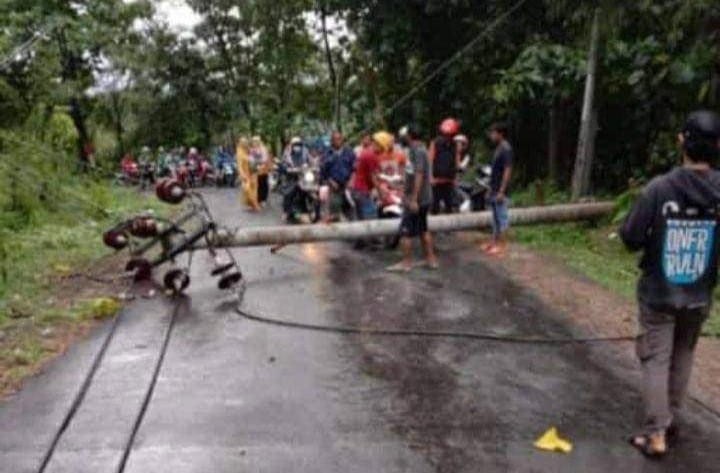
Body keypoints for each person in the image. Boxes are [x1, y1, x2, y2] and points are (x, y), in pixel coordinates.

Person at [620, 110, 720, 457]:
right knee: (684, 354)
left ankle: (655, 432)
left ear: (682, 142)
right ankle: (670, 418)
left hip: (659, 293)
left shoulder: (660, 188)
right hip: (699, 292)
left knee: (656, 358)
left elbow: (630, 236)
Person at [387, 125, 438, 272]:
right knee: (423, 229)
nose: (402, 138)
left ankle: (406, 263)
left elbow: (419, 175)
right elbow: (412, 173)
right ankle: (430, 259)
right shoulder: (416, 150)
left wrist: (414, 199)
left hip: (417, 200)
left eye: (404, 135)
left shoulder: (418, 151)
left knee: (405, 231)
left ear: (409, 136)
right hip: (421, 198)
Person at [483, 122, 513, 257]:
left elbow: (507, 170)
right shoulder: (498, 148)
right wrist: (490, 188)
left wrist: (502, 190)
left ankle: (502, 246)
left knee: (502, 219)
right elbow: (495, 171)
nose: (491, 135)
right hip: (494, 188)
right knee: (495, 219)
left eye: (493, 133)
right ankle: (494, 243)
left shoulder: (506, 149)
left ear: (500, 134)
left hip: (501, 191)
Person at [320, 131, 355, 222]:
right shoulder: (327, 154)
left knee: (351, 211)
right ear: (331, 141)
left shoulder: (349, 152)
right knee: (334, 212)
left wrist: (351, 180)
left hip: (348, 187)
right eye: (335, 139)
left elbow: (354, 168)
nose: (337, 141)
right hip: (334, 187)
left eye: (339, 139)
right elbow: (323, 172)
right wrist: (331, 181)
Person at [349, 131, 386, 221]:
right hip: (362, 191)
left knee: (361, 219)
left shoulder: (367, 152)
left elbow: (376, 172)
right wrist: (382, 194)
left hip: (358, 190)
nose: (382, 151)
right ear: (378, 145)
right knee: (371, 220)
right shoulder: (371, 155)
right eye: (382, 148)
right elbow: (373, 178)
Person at [429, 118, 461, 214]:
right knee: (435, 205)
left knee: (449, 205)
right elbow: (430, 160)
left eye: (450, 135)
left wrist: (456, 178)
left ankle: (448, 227)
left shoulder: (455, 145)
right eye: (446, 135)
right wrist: (431, 177)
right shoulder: (435, 143)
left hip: (449, 179)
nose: (447, 137)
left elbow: (456, 162)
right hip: (437, 179)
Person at [236, 137, 260, 211]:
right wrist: (242, 175)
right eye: (243, 142)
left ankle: (253, 204)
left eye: (245, 142)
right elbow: (239, 166)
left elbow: (254, 158)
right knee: (247, 189)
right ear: (240, 143)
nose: (245, 143)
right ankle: (254, 205)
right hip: (245, 175)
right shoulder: (240, 152)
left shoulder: (247, 150)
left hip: (252, 173)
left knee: (254, 189)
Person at [249, 136, 271, 207]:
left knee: (263, 184)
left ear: (259, 142)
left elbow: (265, 159)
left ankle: (263, 200)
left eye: (255, 141)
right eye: (253, 141)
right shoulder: (252, 150)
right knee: (256, 185)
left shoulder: (263, 149)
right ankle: (258, 199)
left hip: (263, 169)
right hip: (255, 170)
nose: (254, 143)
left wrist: (257, 162)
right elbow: (250, 158)